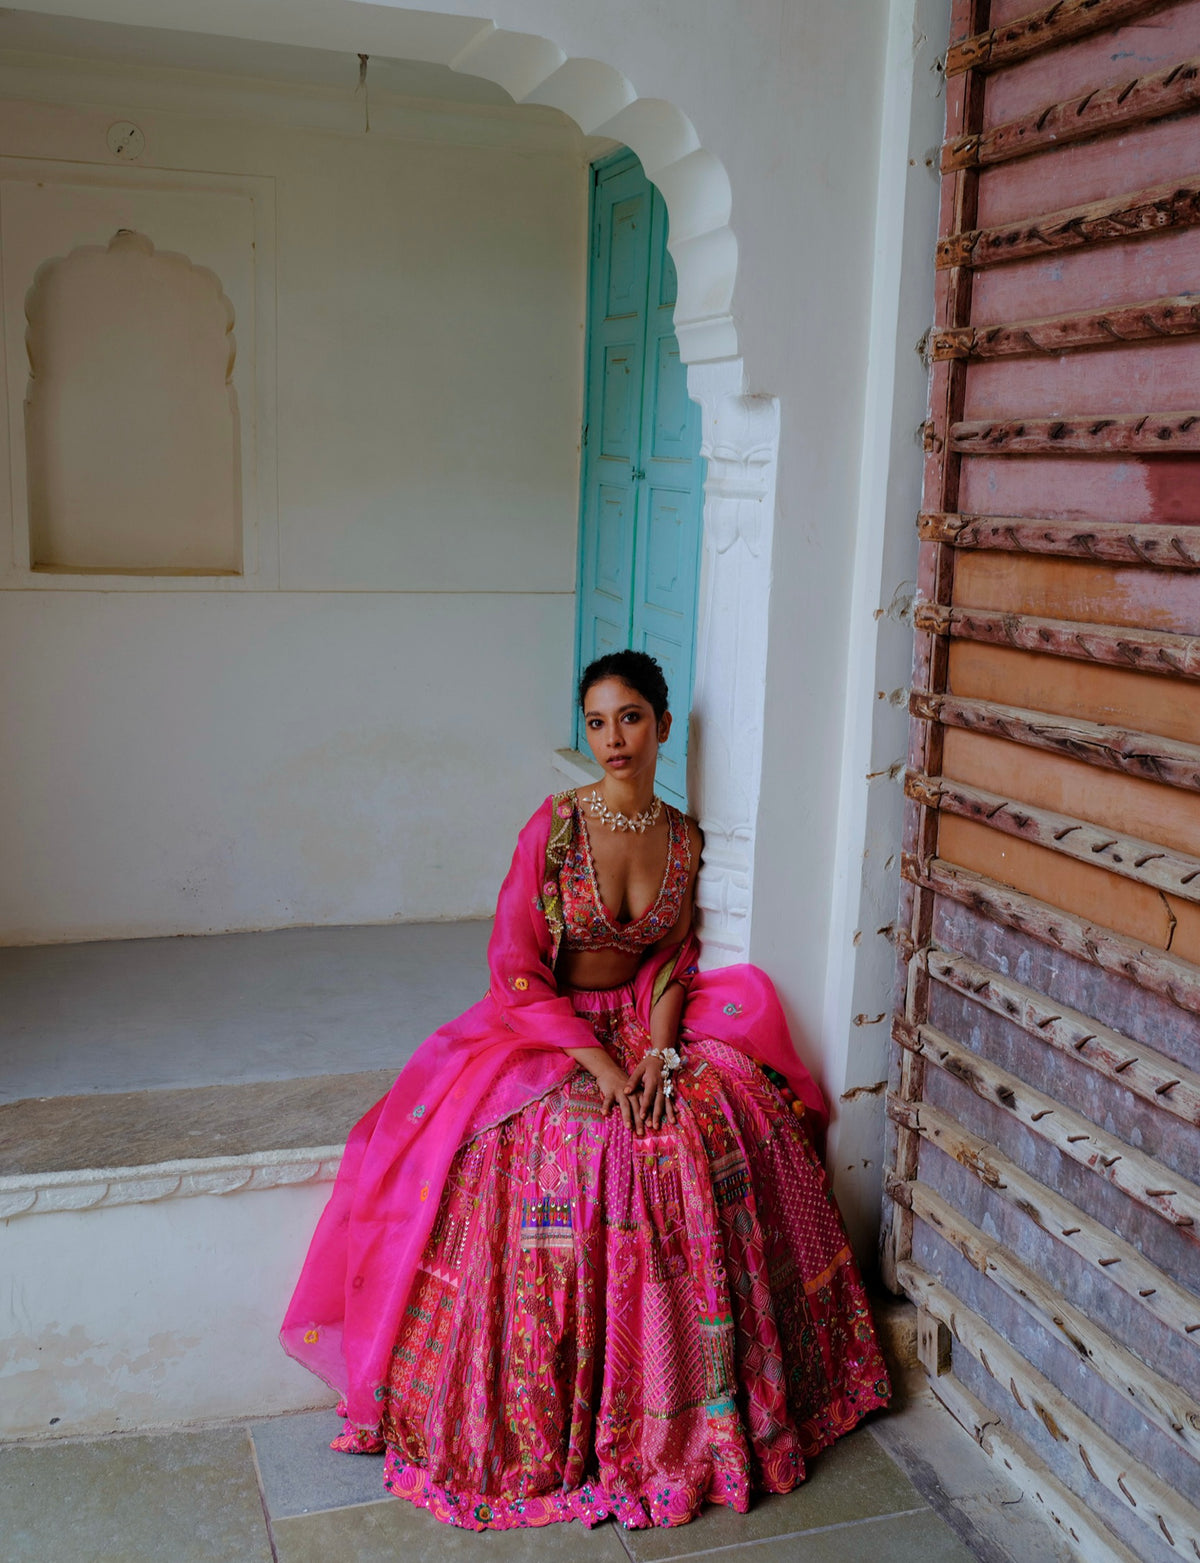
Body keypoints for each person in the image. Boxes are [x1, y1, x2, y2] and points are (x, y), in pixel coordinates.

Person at [281, 650, 890, 1533]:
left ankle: (696, 1404)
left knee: (715, 1118)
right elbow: (513, 967)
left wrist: (657, 1053)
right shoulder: (556, 828)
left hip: (642, 1027)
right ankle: (554, 1409)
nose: (614, 738)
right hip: (546, 1028)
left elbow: (674, 958)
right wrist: (599, 1065)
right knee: (568, 1146)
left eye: (631, 718)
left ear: (663, 727)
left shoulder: (683, 838)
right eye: (598, 721)